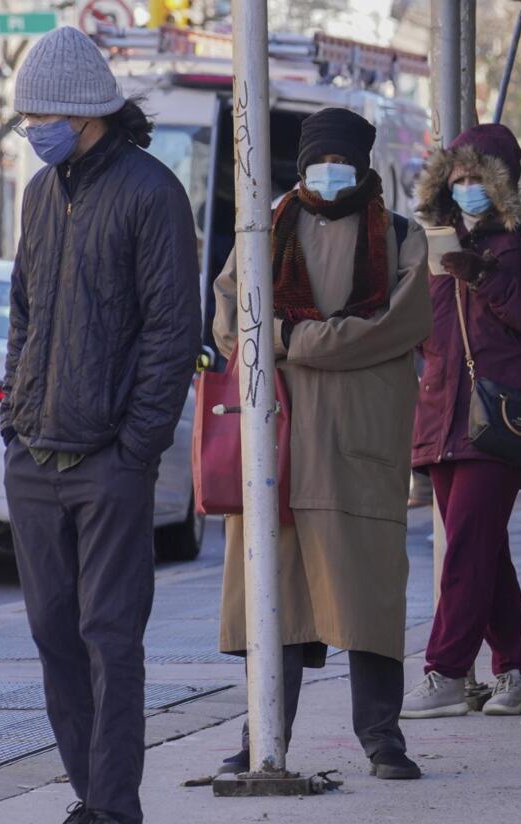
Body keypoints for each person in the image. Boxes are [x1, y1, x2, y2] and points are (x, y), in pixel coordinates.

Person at [1, 28, 200, 824]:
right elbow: (23, 316)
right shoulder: (39, 196)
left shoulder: (152, 193)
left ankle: (114, 808)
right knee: (55, 638)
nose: (30, 131)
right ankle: (90, 794)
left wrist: (136, 450)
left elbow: (171, 334)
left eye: (37, 116)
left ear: (84, 115)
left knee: (109, 641)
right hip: (35, 459)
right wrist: (15, 423)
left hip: (109, 462)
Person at [213, 108, 430, 780]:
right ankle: (261, 737)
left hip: (356, 449)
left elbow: (397, 326)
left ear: (362, 166)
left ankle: (382, 739)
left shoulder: (399, 236)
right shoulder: (262, 231)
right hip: (275, 451)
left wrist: (290, 339)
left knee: (370, 598)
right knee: (273, 604)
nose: (328, 173)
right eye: (318, 161)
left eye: (340, 161)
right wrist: (300, 340)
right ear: (301, 167)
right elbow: (229, 322)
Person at [403, 123, 521, 718]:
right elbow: (421, 329)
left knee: (467, 546)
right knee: (483, 549)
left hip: (503, 414)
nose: (467, 186)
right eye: (458, 175)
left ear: (501, 182)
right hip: (442, 415)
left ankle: (445, 669)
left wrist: (483, 276)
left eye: (479, 177)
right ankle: (514, 671)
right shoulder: (431, 239)